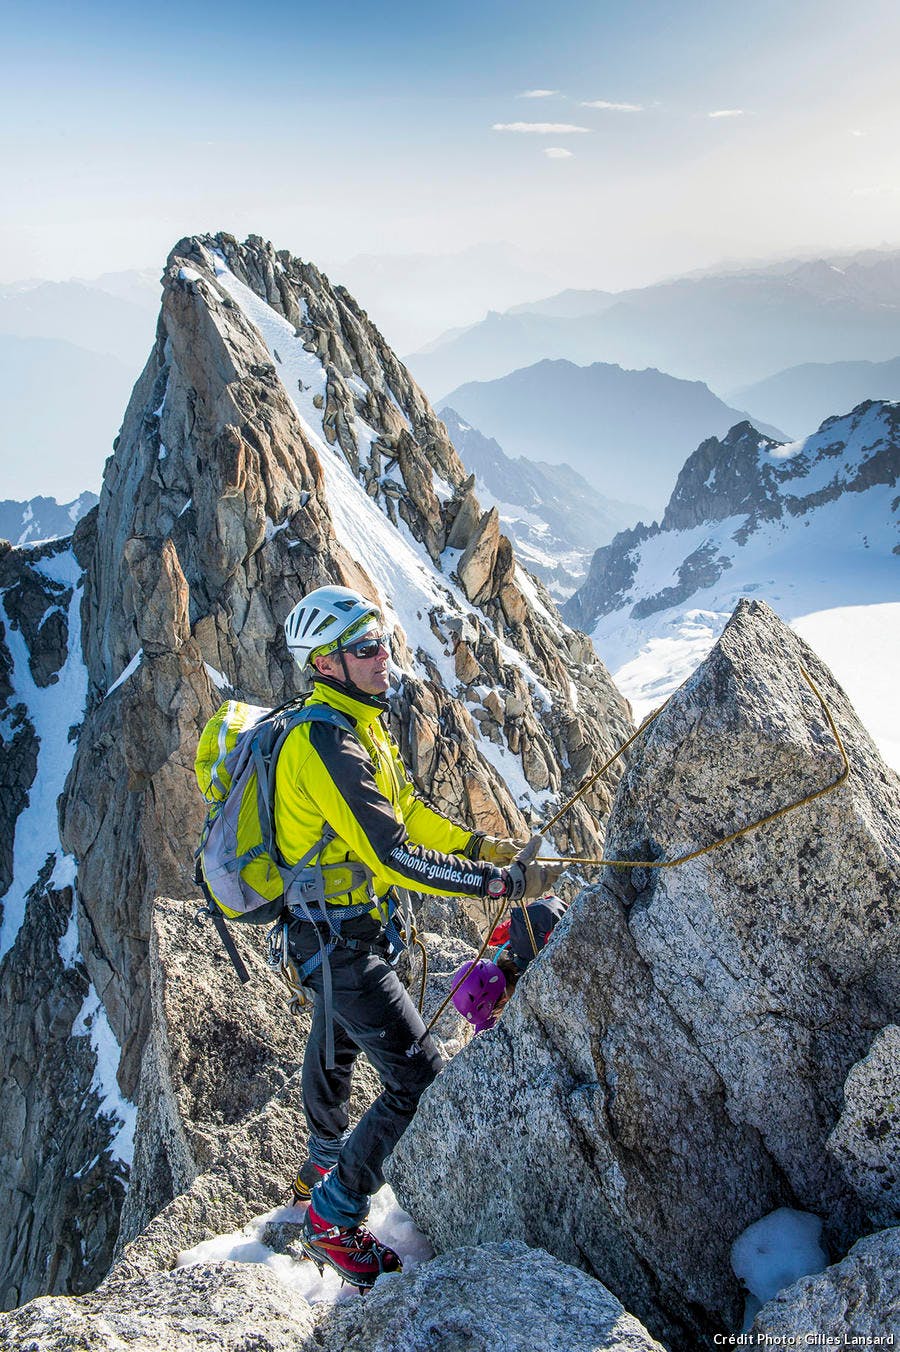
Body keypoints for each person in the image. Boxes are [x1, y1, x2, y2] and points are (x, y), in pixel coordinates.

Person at [277, 584, 565, 1288]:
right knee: (418, 1078)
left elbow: (410, 817)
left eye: (382, 642)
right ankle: (334, 1214)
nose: (384, 659)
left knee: (337, 1034)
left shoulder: (359, 726)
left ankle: (322, 1160)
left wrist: (486, 848)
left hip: (343, 932)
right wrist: (495, 887)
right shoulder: (325, 743)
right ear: (326, 663)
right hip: (335, 939)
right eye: (365, 648)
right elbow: (393, 855)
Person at [451, 894, 568, 1033]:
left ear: (503, 1001)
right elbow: (493, 993)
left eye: (495, 1012)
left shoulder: (536, 983)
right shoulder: (516, 952)